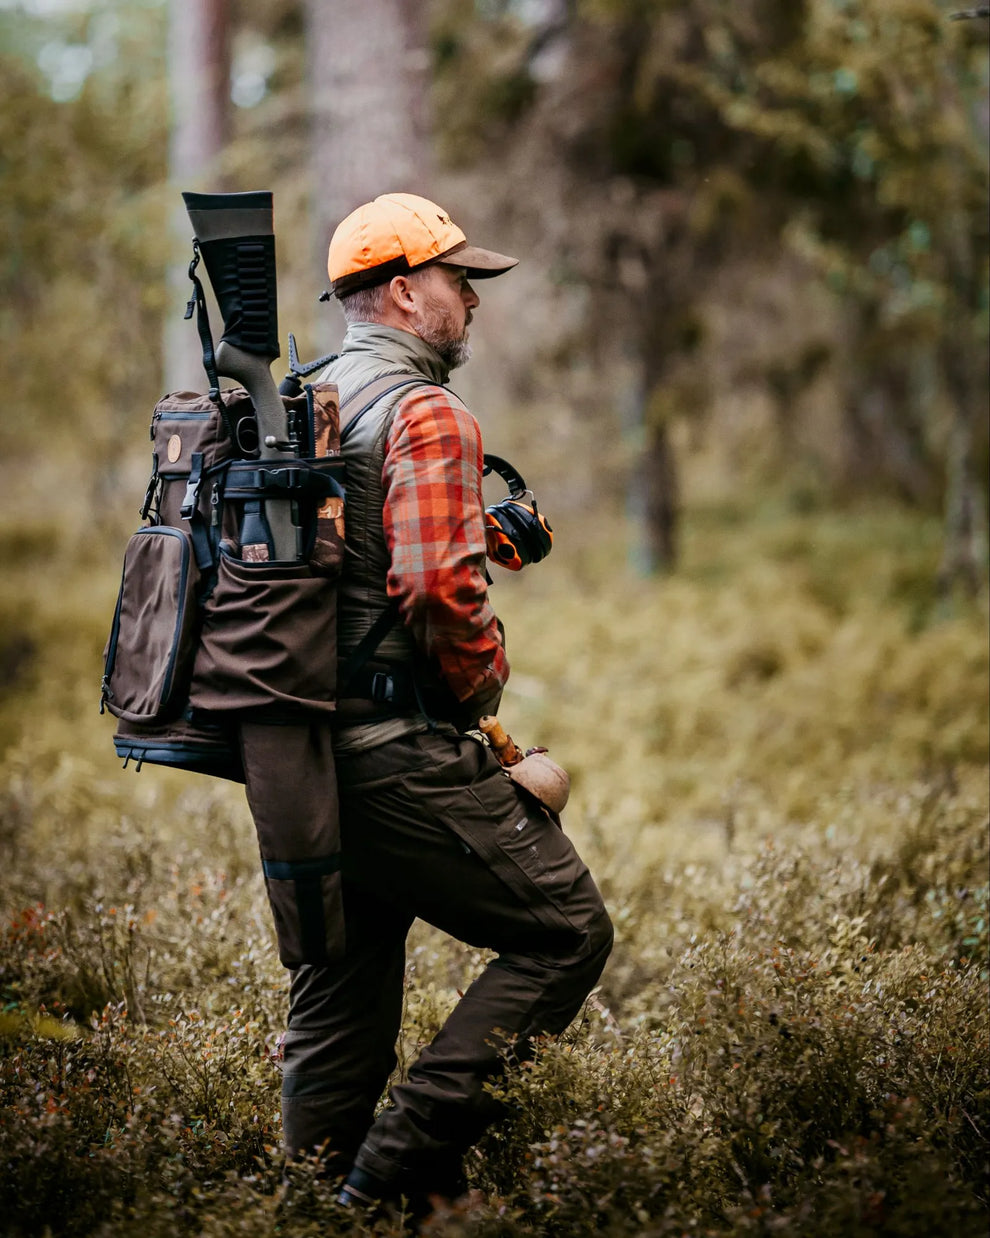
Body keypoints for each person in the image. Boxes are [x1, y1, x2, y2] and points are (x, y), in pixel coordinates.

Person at [280, 192, 613, 1214]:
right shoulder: (427, 412)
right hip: (396, 752)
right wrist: (484, 695)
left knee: (342, 994)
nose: (472, 299)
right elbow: (433, 590)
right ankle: (394, 1170)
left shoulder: (309, 400)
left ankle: (310, 1207)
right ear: (402, 291)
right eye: (459, 280)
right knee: (568, 932)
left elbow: (359, 559)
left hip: (298, 759)